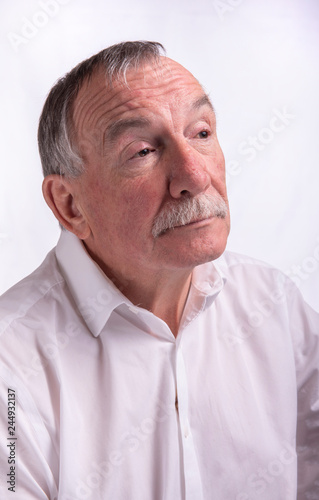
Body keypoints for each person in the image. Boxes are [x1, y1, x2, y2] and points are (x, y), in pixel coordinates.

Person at [0, 41, 318, 500]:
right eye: (144, 151)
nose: (195, 175)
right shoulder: (11, 367)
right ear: (70, 205)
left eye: (202, 132)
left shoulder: (273, 304)